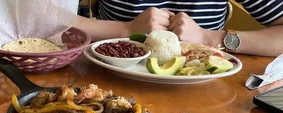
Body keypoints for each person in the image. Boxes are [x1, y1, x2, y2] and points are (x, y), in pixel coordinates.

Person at [73, 0, 283, 57]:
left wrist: (209, 37)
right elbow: (45, 19)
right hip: (110, 80)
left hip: (205, 92)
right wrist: (126, 30)